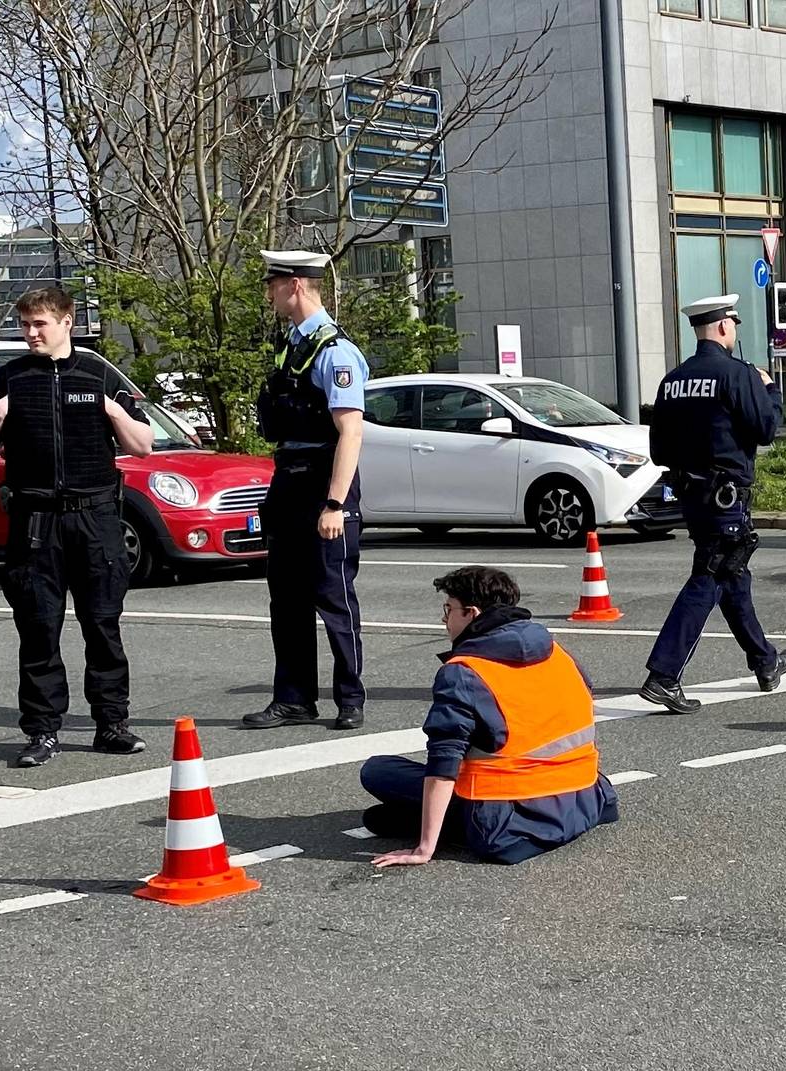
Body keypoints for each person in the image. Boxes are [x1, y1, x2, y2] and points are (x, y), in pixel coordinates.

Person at [0, 285, 155, 767]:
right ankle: (42, 730)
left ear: (67, 322)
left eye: (40, 323)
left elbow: (144, 444)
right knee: (38, 627)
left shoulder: (99, 374)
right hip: (35, 520)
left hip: (95, 516)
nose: (30, 333)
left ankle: (111, 724)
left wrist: (111, 408)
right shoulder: (9, 378)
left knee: (103, 625)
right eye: (25, 324)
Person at [361, 566, 621, 868]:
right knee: (381, 817)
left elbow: (444, 764)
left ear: (471, 613)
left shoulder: (464, 671)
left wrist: (424, 849)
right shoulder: (559, 653)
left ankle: (446, 828)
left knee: (376, 771)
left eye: (449, 609)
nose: (445, 620)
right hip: (585, 798)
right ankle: (442, 824)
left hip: (506, 820)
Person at [238, 249, 376, 732]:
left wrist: (335, 502)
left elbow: (350, 432)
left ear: (295, 284)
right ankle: (293, 698)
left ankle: (350, 698)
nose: (268, 294)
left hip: (323, 478)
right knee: (287, 598)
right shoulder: (292, 346)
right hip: (289, 480)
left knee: (333, 594)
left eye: (272, 284)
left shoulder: (334, 351)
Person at [639, 293, 786, 713]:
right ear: (725, 327)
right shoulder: (737, 374)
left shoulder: (672, 381)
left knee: (731, 575)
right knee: (710, 575)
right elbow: (766, 429)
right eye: (734, 325)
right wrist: (770, 390)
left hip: (692, 497)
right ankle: (664, 675)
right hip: (727, 497)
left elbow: (658, 450)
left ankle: (765, 660)